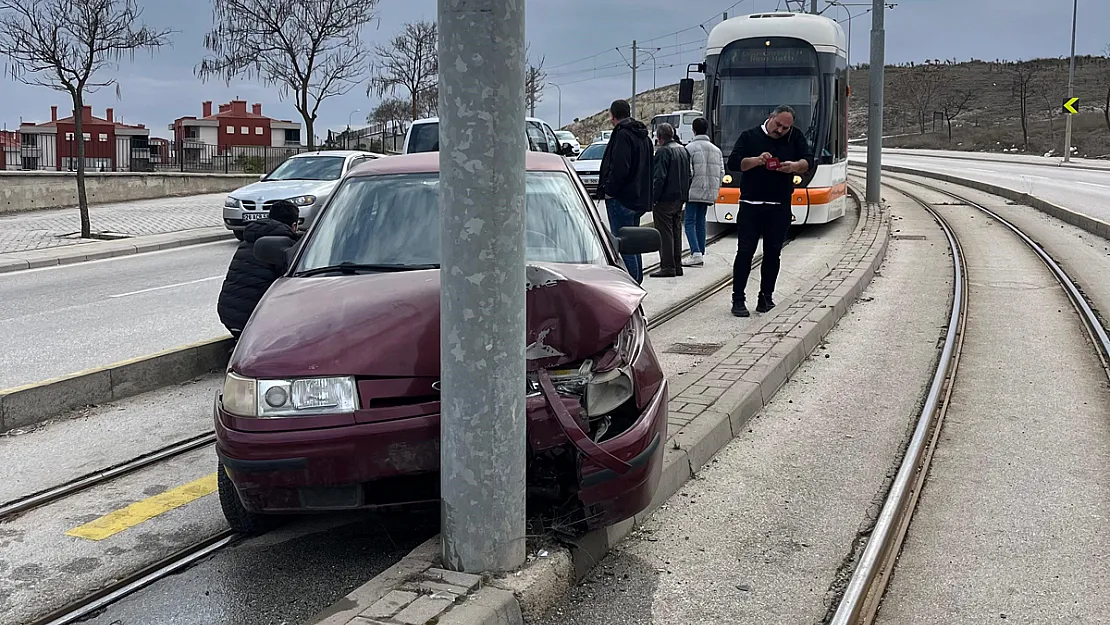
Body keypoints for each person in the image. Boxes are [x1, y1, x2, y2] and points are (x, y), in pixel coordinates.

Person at [726, 104, 813, 317]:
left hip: (779, 206)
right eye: (778, 125)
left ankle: (766, 297)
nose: (781, 131)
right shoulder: (749, 136)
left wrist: (794, 166)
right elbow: (734, 163)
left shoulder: (795, 137)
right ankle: (738, 299)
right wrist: (757, 161)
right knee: (745, 252)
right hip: (751, 205)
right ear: (770, 118)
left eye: (785, 128)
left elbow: (808, 161)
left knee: (773, 253)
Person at [217, 200, 301, 339]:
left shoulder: (249, 239)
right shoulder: (284, 246)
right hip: (253, 319)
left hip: (228, 313)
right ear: (294, 225)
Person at [595, 99, 653, 283]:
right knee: (633, 243)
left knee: (624, 245)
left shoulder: (622, 135)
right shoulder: (643, 136)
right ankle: (637, 280)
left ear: (612, 116)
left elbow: (620, 167)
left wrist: (609, 190)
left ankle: (631, 284)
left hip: (622, 198)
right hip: (639, 197)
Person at [649, 122, 692, 278]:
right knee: (676, 230)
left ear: (659, 137)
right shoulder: (683, 150)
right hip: (679, 197)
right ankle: (677, 264)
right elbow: (689, 174)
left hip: (665, 198)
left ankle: (667, 266)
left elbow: (659, 178)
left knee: (665, 232)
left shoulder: (663, 152)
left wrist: (654, 198)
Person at [683, 117, 725, 268]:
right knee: (701, 221)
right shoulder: (716, 149)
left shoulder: (689, 148)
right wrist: (715, 188)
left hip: (693, 191)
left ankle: (695, 253)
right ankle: (700, 250)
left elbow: (689, 172)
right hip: (709, 191)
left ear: (693, 130)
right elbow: (721, 172)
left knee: (689, 222)